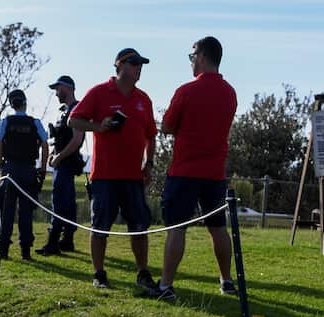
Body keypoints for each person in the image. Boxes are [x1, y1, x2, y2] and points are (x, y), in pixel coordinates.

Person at [68, 48, 157, 293]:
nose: (139, 68)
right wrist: (99, 126)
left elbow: (151, 136)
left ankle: (143, 273)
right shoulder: (98, 93)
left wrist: (148, 164)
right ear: (119, 65)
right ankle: (99, 274)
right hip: (105, 177)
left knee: (139, 227)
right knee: (100, 227)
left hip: (133, 178)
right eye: (135, 63)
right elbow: (73, 120)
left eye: (142, 64)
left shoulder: (144, 99)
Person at [157, 36, 238, 300]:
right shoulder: (230, 93)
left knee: (176, 229)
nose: (191, 62)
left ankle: (166, 284)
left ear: (202, 57)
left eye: (192, 56)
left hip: (184, 171)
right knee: (218, 229)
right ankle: (226, 281)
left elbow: (167, 126)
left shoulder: (186, 91)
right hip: (215, 173)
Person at [0, 88, 50, 260]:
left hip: (10, 170)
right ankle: (25, 251)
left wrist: (1, 161)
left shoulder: (7, 122)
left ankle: (3, 250)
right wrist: (43, 167)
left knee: (6, 210)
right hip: (29, 170)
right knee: (26, 212)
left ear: (12, 104)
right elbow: (45, 144)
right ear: (25, 103)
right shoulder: (35, 123)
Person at [38, 75, 85, 257]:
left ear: (68, 88)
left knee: (59, 201)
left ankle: (53, 242)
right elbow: (59, 139)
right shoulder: (63, 111)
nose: (57, 93)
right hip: (61, 162)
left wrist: (59, 157)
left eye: (59, 89)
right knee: (67, 202)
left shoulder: (77, 109)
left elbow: (77, 139)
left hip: (66, 163)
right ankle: (67, 240)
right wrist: (52, 154)